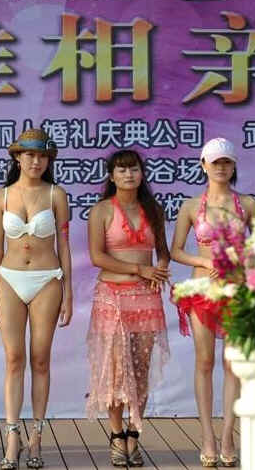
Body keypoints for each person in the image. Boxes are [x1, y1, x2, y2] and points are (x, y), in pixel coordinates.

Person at [0, 128, 72, 470]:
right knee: (13, 358)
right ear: (17, 157)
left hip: (47, 279)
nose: (36, 161)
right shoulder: (1, 197)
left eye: (42, 156)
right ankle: (12, 435)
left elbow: (64, 245)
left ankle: (36, 435)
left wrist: (68, 291)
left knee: (40, 359)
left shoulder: (56, 194)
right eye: (30, 155)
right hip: (9, 278)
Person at [170, 137, 255, 468]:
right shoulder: (191, 206)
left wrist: (239, 259)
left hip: (237, 289)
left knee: (233, 363)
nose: (221, 167)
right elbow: (176, 250)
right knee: (204, 362)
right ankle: (207, 436)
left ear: (234, 166)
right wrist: (204, 261)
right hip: (202, 290)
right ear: (203, 165)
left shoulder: (248, 204)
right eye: (215, 162)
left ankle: (227, 435)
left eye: (226, 162)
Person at [86, 149, 170, 467]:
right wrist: (139, 269)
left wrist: (159, 270)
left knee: (140, 368)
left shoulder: (153, 209)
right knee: (116, 369)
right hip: (112, 297)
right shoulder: (102, 211)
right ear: (112, 176)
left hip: (146, 297)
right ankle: (117, 435)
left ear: (142, 173)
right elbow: (97, 257)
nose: (128, 175)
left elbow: (163, 251)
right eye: (121, 170)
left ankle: (134, 435)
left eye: (133, 169)